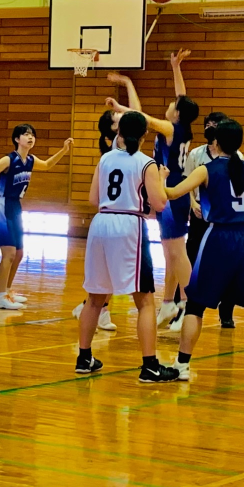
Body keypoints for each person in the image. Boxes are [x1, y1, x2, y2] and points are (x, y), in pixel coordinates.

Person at [161, 119, 244, 384]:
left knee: (195, 305)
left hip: (218, 237)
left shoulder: (207, 170)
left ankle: (182, 365)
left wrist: (161, 178)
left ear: (215, 143)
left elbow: (172, 193)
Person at [76, 111, 180, 383]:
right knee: (145, 301)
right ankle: (150, 366)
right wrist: (163, 179)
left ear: (119, 132)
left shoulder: (105, 158)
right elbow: (159, 204)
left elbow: (92, 198)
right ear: (144, 134)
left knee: (95, 296)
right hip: (128, 226)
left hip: (100, 223)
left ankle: (84, 357)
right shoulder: (147, 163)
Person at [106, 49, 199, 331]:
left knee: (176, 253)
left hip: (170, 193)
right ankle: (170, 302)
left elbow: (140, 119)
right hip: (174, 193)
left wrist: (121, 106)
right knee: (172, 252)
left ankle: (191, 305)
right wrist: (175, 67)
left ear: (177, 114)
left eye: (173, 104)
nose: (171, 103)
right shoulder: (183, 127)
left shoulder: (170, 128)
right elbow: (182, 96)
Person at [73, 72, 145, 332]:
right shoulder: (120, 145)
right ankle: (95, 308)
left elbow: (136, 117)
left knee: (108, 271)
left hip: (108, 219)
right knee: (120, 276)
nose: (123, 115)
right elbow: (138, 116)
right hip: (120, 216)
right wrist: (127, 84)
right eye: (118, 117)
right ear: (116, 130)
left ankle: (93, 308)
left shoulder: (119, 147)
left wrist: (122, 99)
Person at [0, 125, 74, 309]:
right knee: (10, 253)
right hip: (2, 205)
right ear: (16, 139)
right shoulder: (8, 159)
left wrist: (63, 150)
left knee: (19, 253)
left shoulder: (30, 160)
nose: (30, 137)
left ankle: (6, 290)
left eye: (32, 135)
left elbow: (47, 165)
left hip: (15, 207)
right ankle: (0, 297)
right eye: (26, 134)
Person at [184, 112, 243, 329]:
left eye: (214, 125)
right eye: (207, 124)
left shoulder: (238, 159)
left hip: (224, 219)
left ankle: (226, 311)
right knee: (192, 259)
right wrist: (193, 204)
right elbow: (186, 183)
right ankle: (187, 305)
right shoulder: (196, 154)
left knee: (228, 266)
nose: (210, 128)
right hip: (199, 216)